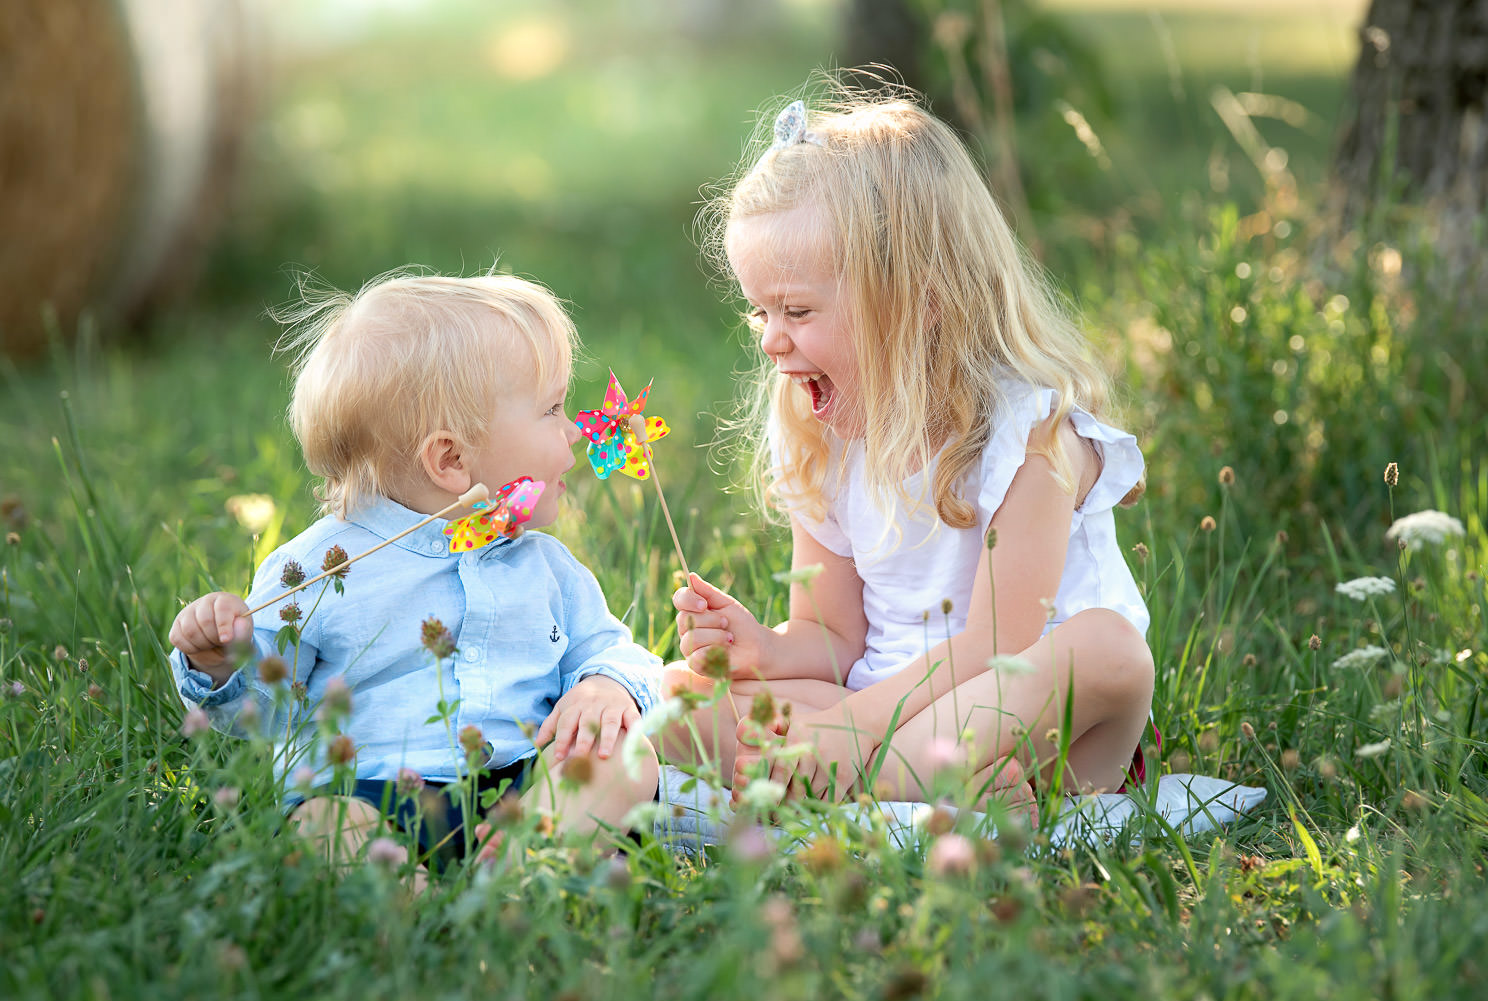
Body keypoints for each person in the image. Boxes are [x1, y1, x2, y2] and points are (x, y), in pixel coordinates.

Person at [666, 85, 1154, 808]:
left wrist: (847, 732)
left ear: (921, 301)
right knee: (679, 695)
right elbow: (832, 634)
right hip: (884, 703)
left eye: (797, 310)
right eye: (758, 311)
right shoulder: (816, 432)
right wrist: (765, 652)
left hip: (1022, 718)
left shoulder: (1031, 438)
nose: (771, 339)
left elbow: (1000, 648)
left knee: (1108, 647)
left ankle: (863, 776)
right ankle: (917, 781)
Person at [169, 272, 661, 882]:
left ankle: (522, 864)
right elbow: (265, 712)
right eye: (552, 409)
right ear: (451, 460)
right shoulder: (322, 568)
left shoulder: (545, 566)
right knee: (322, 824)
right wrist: (220, 662)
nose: (573, 431)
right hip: (372, 789)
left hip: (523, 783)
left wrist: (607, 686)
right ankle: (398, 891)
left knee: (628, 760)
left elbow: (617, 650)